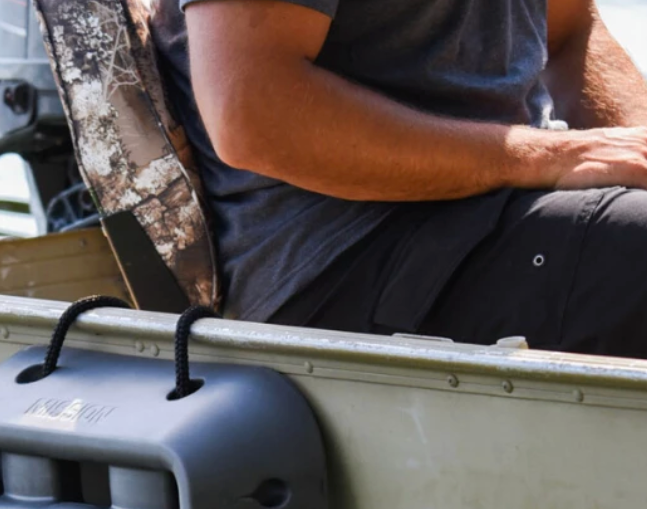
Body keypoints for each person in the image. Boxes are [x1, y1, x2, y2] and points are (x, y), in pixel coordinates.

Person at [151, 0, 647, 356]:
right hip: (342, 258)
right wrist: (543, 157)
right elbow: (252, 114)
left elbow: (569, 30)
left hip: (507, 204)